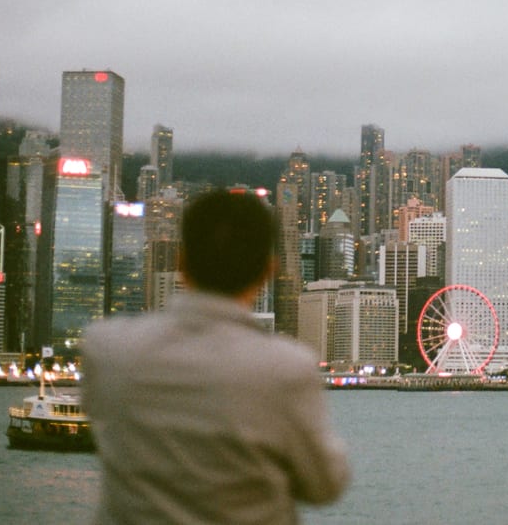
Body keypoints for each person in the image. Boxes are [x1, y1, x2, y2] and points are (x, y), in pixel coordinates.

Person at [83, 189, 349, 524]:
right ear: (268, 271)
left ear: (181, 262)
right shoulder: (287, 369)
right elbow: (325, 486)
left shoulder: (106, 349)